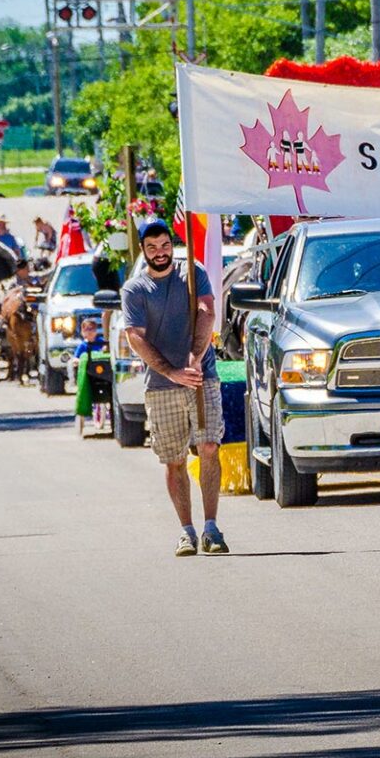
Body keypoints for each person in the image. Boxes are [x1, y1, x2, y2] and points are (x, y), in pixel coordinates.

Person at [120, 220, 227, 557]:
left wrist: (195, 359)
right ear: (143, 250)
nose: (160, 253)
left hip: (201, 376)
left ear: (172, 244)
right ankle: (187, 531)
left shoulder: (192, 272)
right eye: (152, 248)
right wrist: (171, 371)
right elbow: (134, 336)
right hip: (161, 384)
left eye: (165, 245)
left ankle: (211, 528)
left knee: (209, 446)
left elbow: (207, 310)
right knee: (174, 460)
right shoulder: (134, 290)